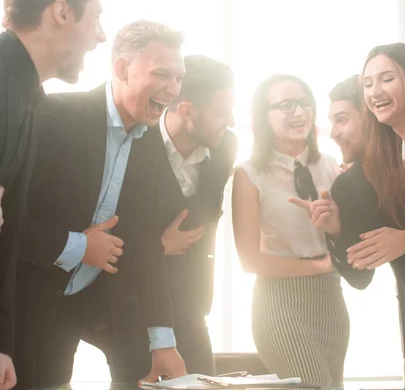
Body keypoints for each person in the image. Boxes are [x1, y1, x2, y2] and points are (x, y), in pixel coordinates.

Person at [14, 20, 187, 388]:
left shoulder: (149, 141)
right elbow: (9, 222)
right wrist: (79, 246)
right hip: (24, 307)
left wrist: (163, 342)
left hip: (99, 302)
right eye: (161, 74)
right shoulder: (55, 116)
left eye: (179, 79)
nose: (172, 89)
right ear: (122, 69)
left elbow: (144, 244)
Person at [0, 0, 105, 386]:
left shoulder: (31, 99)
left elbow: (7, 234)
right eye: (95, 19)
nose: (101, 36)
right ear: (62, 11)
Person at [325, 72, 405, 384]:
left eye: (342, 120)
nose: (333, 133)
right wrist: (335, 229)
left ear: (370, 117)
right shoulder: (350, 184)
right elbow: (359, 277)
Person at [232, 74, 349, 387]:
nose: (299, 112)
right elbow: (250, 261)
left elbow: (346, 236)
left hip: (330, 299)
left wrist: (333, 225)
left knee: (331, 384)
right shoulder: (248, 173)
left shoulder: (331, 165)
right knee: (312, 384)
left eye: (304, 103)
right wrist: (321, 265)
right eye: (286, 105)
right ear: (264, 116)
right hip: (279, 304)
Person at [157, 55, 237, 375]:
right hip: (131, 303)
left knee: (203, 378)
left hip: (191, 301)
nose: (230, 121)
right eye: (222, 111)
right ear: (187, 110)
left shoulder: (225, 146)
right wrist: (156, 245)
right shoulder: (138, 142)